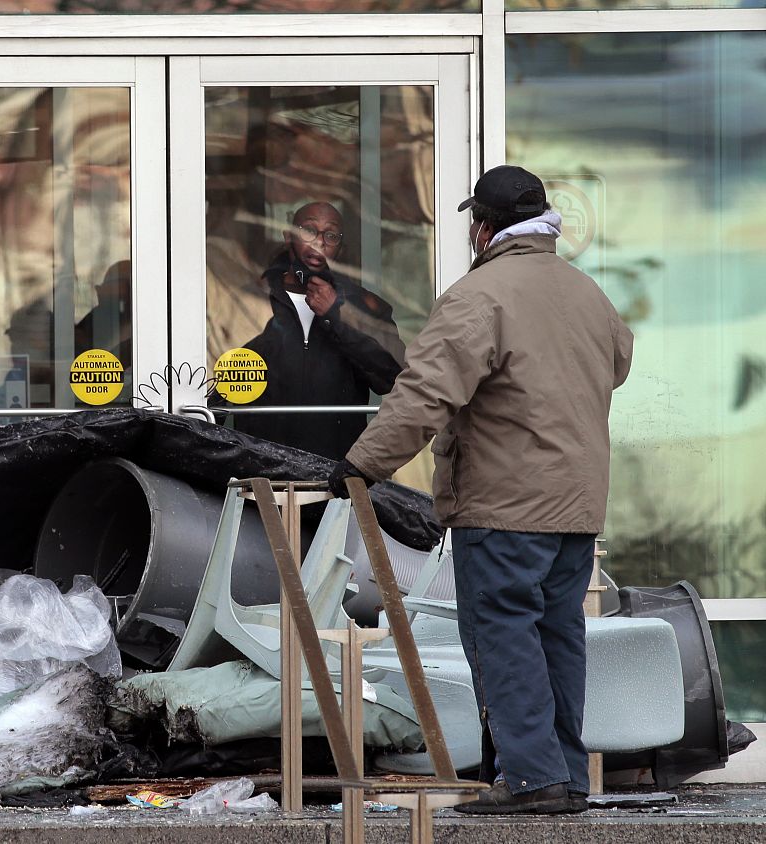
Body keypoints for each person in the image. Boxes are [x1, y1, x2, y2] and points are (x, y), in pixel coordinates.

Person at [328, 166, 634, 815]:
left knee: (503, 633)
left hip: (505, 504)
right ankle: (564, 776)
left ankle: (530, 778)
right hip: (576, 506)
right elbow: (620, 362)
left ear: (485, 227)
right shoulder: (585, 293)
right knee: (557, 635)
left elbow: (423, 393)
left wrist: (361, 466)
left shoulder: (481, 295)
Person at [234, 201, 406, 460]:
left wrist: (335, 318)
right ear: (288, 237)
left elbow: (392, 376)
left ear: (340, 248)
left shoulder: (363, 306)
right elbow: (221, 376)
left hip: (338, 472)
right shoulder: (251, 299)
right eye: (308, 231)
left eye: (331, 235)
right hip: (262, 469)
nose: (319, 242)